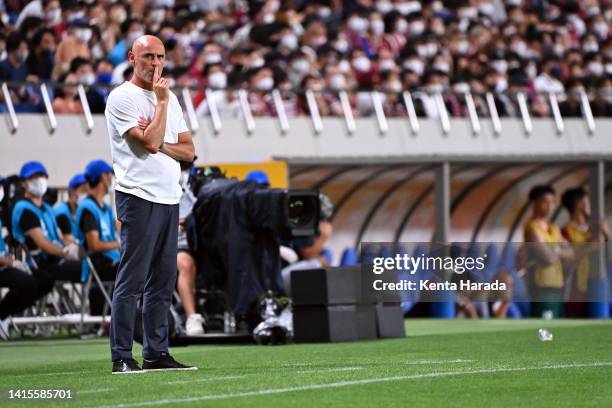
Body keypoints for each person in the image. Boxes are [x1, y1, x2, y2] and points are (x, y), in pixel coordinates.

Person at [104, 34, 195, 374]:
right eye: (148, 57)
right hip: (138, 196)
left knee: (162, 280)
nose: (155, 63)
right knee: (132, 280)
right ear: (132, 57)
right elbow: (149, 142)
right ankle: (122, 356)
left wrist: (161, 142)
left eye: (160, 57)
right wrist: (159, 106)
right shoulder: (122, 98)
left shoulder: (170, 97)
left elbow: (189, 151)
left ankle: (156, 353)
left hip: (169, 196)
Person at [11, 161, 83, 285]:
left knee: (89, 263)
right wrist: (64, 252)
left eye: (42, 176)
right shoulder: (24, 209)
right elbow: (42, 243)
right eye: (33, 177)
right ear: (23, 183)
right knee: (88, 268)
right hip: (42, 263)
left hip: (56, 259)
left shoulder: (47, 208)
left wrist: (74, 246)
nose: (39, 180)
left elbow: (59, 236)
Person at [0, 175, 54, 340]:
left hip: (4, 264)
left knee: (44, 280)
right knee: (26, 282)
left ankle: (4, 314)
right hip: (3, 265)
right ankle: (2, 314)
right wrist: (12, 262)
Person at [75, 160, 120, 315]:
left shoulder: (105, 208)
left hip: (110, 259)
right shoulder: (88, 208)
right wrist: (119, 243)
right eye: (110, 175)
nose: (112, 179)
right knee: (135, 271)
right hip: (98, 262)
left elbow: (118, 227)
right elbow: (94, 245)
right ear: (103, 177)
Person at [560, 187, 610, 317]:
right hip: (576, 288)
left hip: (600, 284)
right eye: (587, 202)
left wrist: (606, 233)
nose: (590, 206)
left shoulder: (594, 229)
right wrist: (590, 246)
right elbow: (566, 260)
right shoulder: (565, 232)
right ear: (579, 204)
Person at [54, 173, 88, 246]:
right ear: (72, 191)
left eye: (87, 191)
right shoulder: (61, 212)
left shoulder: (82, 213)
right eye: (83, 190)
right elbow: (68, 242)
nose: (86, 194)